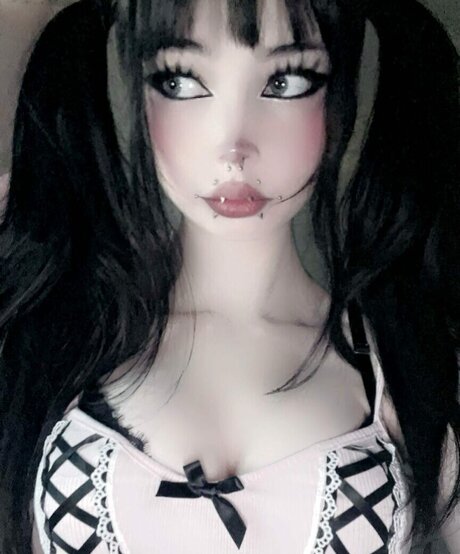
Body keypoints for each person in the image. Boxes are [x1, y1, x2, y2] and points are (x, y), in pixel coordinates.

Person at [0, 0, 458, 552]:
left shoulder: (408, 361)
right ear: (142, 93)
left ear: (337, 96)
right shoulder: (49, 337)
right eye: (180, 81)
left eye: (287, 81)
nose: (233, 146)